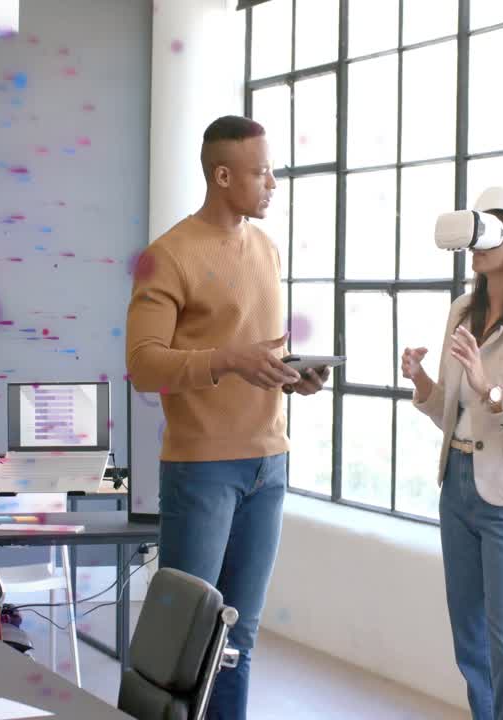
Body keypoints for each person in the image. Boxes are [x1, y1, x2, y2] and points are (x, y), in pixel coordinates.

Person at [125, 115, 329, 719]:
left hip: (269, 463)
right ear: (221, 175)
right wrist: (229, 359)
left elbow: (253, 352)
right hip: (203, 470)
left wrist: (291, 375)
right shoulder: (167, 256)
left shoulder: (265, 248)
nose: (273, 183)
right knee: (186, 641)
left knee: (238, 640)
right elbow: (143, 365)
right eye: (261, 172)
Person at [402, 188, 503, 720]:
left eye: (486, 233)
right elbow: (449, 412)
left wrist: (489, 388)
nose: (475, 245)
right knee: (470, 644)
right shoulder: (462, 311)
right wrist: (421, 380)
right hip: (459, 485)